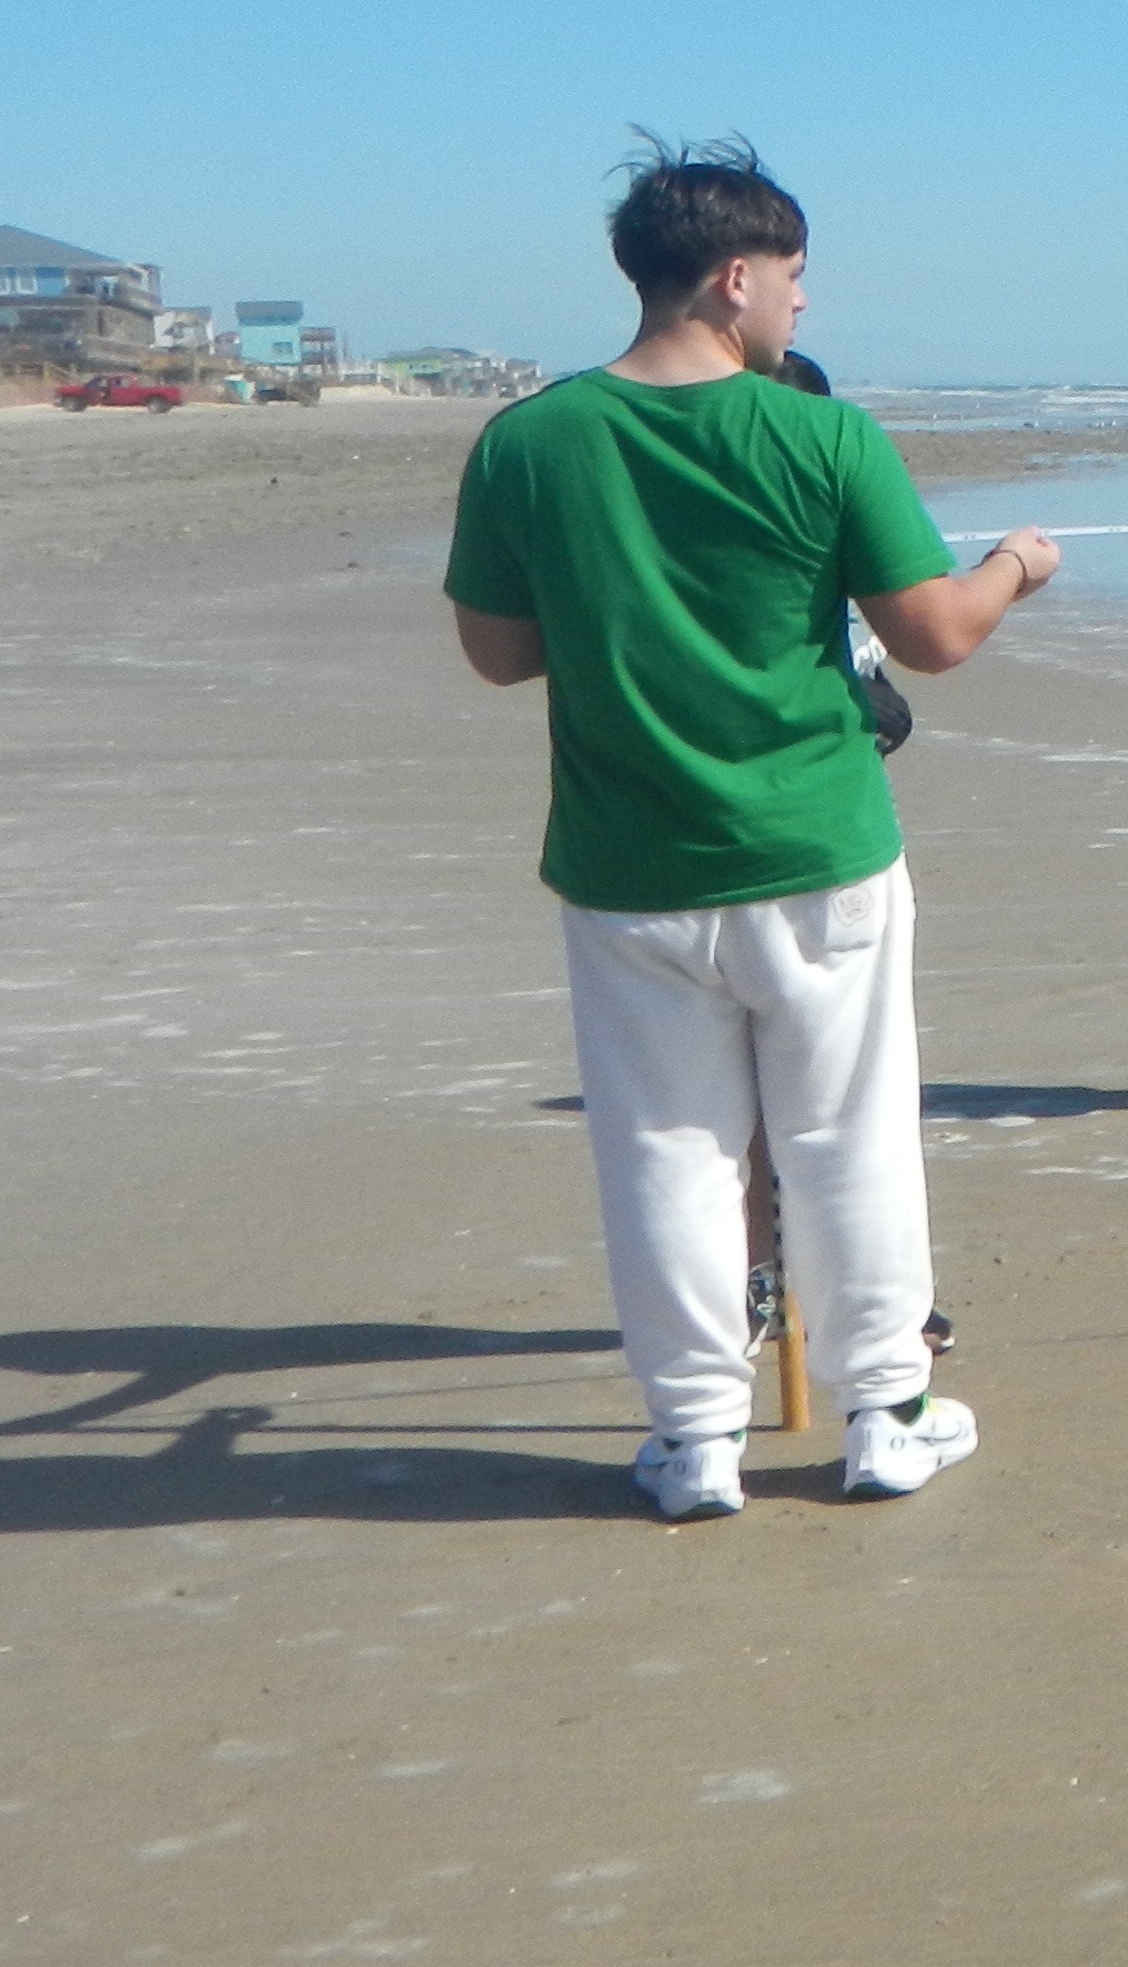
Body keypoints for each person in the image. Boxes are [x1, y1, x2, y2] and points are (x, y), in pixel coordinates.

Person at [443, 138, 1061, 1521]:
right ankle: (885, 1411)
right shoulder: (823, 435)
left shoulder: (530, 440)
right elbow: (935, 635)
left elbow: (497, 650)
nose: (801, 302)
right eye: (792, 276)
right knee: (849, 1137)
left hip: (632, 867)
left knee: (668, 1151)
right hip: (814, 852)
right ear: (734, 278)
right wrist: (1016, 563)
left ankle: (694, 1436)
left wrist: (618, 613)